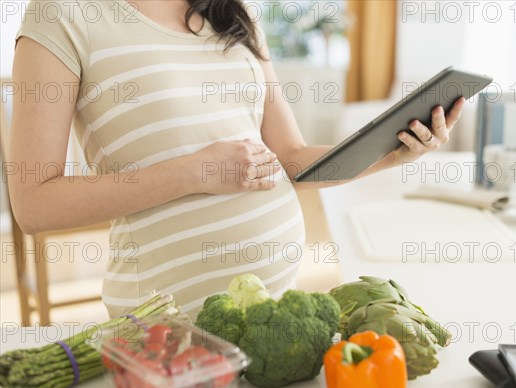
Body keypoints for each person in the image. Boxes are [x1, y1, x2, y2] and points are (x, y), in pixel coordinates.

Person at [8, 0, 465, 318]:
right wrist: (194, 172)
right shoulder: (61, 14)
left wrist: (392, 151)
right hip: (166, 326)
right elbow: (34, 203)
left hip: (271, 308)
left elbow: (287, 158)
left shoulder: (232, 14)